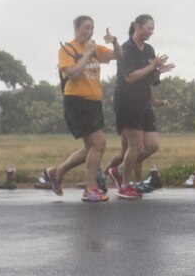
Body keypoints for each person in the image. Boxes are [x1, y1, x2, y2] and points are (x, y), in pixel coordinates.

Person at [44, 15, 123, 202]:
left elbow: (119, 56)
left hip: (94, 102)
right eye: (86, 28)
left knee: (90, 148)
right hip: (77, 101)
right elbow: (73, 74)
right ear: (77, 29)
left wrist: (115, 42)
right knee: (99, 143)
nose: (89, 32)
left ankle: (57, 172)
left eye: (92, 28)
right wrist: (87, 54)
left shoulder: (96, 49)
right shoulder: (67, 49)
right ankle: (90, 189)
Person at [105, 14, 173, 199]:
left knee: (152, 145)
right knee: (134, 145)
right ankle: (125, 185)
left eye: (152, 29)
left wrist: (158, 72)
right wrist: (153, 68)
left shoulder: (149, 49)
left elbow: (151, 80)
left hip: (144, 101)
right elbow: (130, 77)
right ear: (137, 26)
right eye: (148, 28)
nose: (150, 32)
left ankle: (118, 171)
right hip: (127, 100)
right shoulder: (126, 49)